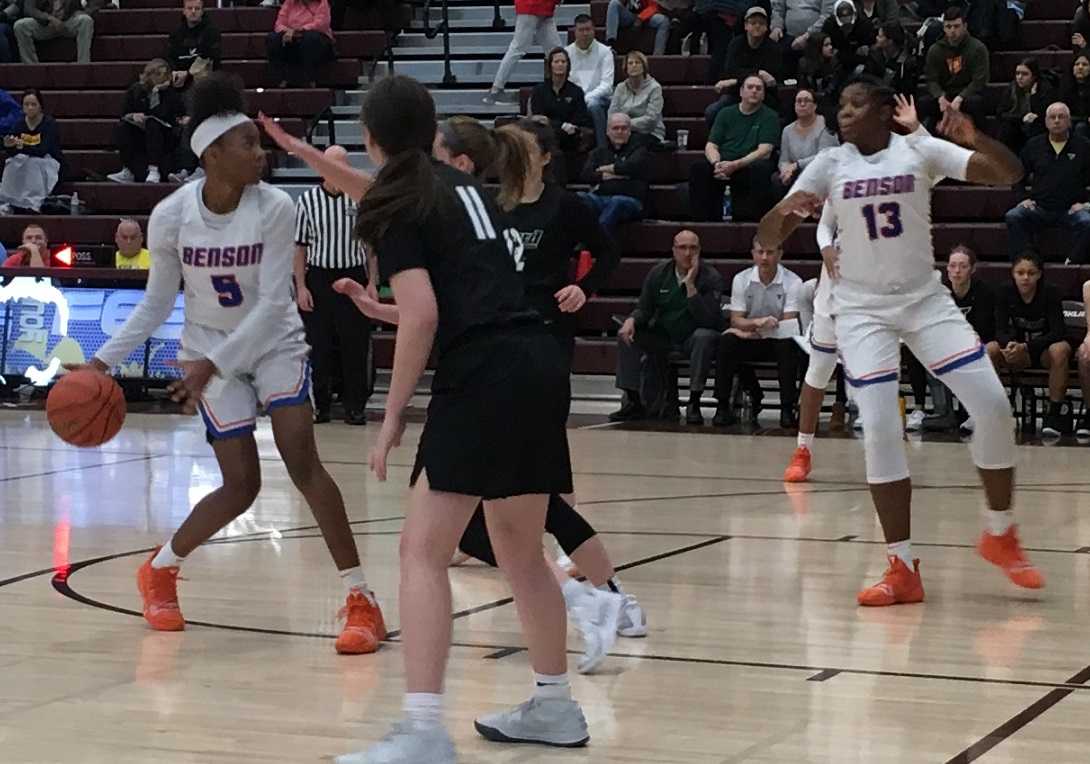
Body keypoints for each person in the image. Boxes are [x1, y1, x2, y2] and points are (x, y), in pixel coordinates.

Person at [260, 75, 590, 763]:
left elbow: (422, 315)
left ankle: (422, 731)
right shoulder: (455, 181)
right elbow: (366, 186)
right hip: (536, 361)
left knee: (420, 552)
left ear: (371, 139)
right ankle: (556, 704)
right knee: (520, 551)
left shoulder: (399, 207)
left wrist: (390, 418)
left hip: (485, 373)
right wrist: (305, 154)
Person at [67, 74, 385, 656]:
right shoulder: (171, 215)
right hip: (207, 346)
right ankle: (159, 570)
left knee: (302, 459)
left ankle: (361, 598)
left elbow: (269, 305)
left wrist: (209, 365)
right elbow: (159, 301)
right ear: (212, 154)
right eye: (247, 144)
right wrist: (100, 363)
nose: (260, 153)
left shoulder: (276, 208)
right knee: (241, 486)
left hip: (272, 344)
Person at [757, 76, 1042, 607]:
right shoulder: (829, 163)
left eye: (855, 102)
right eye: (840, 103)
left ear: (886, 110)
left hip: (924, 300)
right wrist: (783, 216)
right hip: (862, 311)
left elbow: (1009, 173)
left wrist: (974, 137)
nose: (842, 112)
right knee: (881, 428)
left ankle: (999, 532)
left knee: (994, 406)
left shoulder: (919, 150)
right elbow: (767, 236)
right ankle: (902, 565)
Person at [610, 229, 723, 424]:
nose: (687, 253)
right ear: (673, 250)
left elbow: (710, 320)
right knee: (627, 335)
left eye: (693, 248)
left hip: (692, 338)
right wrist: (631, 320)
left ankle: (694, 401)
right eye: (682, 247)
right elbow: (644, 308)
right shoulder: (658, 273)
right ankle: (634, 401)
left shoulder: (711, 276)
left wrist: (690, 287)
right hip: (664, 335)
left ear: (699, 251)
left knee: (704, 336)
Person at [294, 144, 371, 425]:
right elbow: (299, 248)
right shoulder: (306, 201)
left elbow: (371, 245)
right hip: (319, 278)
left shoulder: (360, 200)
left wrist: (373, 282)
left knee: (355, 344)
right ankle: (321, 405)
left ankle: (355, 406)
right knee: (319, 345)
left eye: (343, 165)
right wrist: (301, 286)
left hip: (353, 276)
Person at [713, 237, 803, 428]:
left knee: (787, 346)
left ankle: (787, 408)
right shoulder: (741, 279)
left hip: (778, 338)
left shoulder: (793, 281)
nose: (764, 257)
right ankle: (722, 406)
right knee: (727, 341)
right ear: (752, 254)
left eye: (770, 252)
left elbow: (788, 321)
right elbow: (736, 319)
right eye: (760, 252)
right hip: (750, 337)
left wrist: (753, 328)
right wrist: (755, 324)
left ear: (780, 254)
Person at [783, 200, 839, 482]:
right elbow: (825, 226)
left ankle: (883, 452)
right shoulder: (843, 176)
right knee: (817, 374)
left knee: (879, 381)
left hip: (875, 301)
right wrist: (827, 247)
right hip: (832, 301)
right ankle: (803, 449)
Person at [988, 252, 1073, 436]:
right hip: (1017, 353)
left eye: (1031, 273)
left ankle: (1053, 415)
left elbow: (1058, 332)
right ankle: (995, 412)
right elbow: (999, 329)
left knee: (1060, 349)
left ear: (1039, 274)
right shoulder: (1004, 291)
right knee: (991, 349)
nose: (1025, 277)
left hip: (1042, 353)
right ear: (1013, 273)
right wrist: (1009, 345)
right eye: (1020, 272)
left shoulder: (1051, 292)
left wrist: (1026, 346)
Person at [921, 244, 996, 431]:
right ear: (946, 269)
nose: (957, 271)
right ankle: (938, 410)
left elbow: (986, 329)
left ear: (972, 269)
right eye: (953, 266)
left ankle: (974, 411)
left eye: (962, 266)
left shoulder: (984, 292)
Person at [1003, 102, 1090, 263]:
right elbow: (1017, 175)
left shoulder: (1083, 146)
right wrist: (1022, 198)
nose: (1057, 121)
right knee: (1013, 216)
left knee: (1087, 221)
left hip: (1071, 210)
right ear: (1045, 121)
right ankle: (1023, 260)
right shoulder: (1033, 145)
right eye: (1052, 117)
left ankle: (1073, 261)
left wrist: (1087, 204)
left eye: (1061, 117)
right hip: (1040, 207)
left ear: (1069, 121)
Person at [689, 73, 779, 221]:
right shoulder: (725, 113)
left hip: (748, 165)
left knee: (761, 169)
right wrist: (716, 164)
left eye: (759, 88)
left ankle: (757, 223)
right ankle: (701, 223)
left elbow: (765, 150)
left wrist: (736, 164)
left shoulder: (770, 116)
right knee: (698, 168)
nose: (754, 91)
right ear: (741, 92)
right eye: (750, 87)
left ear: (763, 95)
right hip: (723, 164)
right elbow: (711, 145)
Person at [108, 59, 186, 185]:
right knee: (124, 126)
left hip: (164, 133)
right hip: (141, 130)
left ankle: (154, 169)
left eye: (164, 74)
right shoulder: (136, 89)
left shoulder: (170, 92)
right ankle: (128, 170)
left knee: (152, 123)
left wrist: (157, 92)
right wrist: (133, 116)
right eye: (158, 74)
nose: (162, 77)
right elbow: (124, 113)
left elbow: (168, 115)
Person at [706, 6, 783, 128]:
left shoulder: (773, 48)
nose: (757, 26)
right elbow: (730, 71)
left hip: (764, 96)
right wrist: (757, 73)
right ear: (746, 26)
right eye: (753, 23)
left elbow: (772, 77)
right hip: (736, 93)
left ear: (766, 27)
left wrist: (733, 80)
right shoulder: (736, 44)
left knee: (778, 116)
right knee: (712, 112)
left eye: (761, 23)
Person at [919, 7, 990, 131]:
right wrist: (940, 96)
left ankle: (982, 139)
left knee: (976, 103)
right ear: (944, 28)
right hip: (945, 93)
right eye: (948, 26)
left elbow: (980, 80)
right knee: (923, 103)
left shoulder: (978, 48)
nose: (952, 30)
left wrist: (960, 97)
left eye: (956, 26)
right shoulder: (935, 50)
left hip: (968, 94)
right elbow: (931, 79)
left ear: (965, 26)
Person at [579, 112, 651, 234]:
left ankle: (597, 241)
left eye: (624, 128)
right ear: (608, 131)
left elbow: (630, 167)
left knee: (616, 201)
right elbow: (585, 174)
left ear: (629, 131)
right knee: (579, 197)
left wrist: (602, 169)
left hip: (631, 201)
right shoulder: (599, 152)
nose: (619, 131)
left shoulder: (640, 150)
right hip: (601, 198)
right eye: (615, 128)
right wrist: (613, 174)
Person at [484, 0, 562, 103]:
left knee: (556, 51)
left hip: (541, 7)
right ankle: (496, 90)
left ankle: (563, 87)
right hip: (533, 5)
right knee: (517, 48)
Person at [0, 89, 63, 215]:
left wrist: (20, 147)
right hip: (26, 160)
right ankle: (8, 201)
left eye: (33, 104)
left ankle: (35, 202)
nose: (30, 108)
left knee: (34, 164)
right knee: (12, 163)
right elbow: (12, 151)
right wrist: (8, 146)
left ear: (40, 106)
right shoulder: (19, 125)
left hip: (47, 161)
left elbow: (42, 150)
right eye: (26, 105)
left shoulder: (49, 124)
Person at [529, 47, 592, 159]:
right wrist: (561, 125)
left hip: (569, 135)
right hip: (545, 134)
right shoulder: (539, 90)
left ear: (568, 66)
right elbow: (538, 119)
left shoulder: (576, 91)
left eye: (563, 62)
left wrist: (551, 122)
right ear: (550, 65)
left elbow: (580, 119)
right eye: (556, 61)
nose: (560, 64)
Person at [775, 87, 838, 193]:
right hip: (797, 173)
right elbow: (784, 159)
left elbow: (825, 156)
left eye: (807, 100)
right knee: (777, 179)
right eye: (799, 101)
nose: (802, 104)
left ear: (815, 106)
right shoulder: (787, 130)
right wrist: (785, 171)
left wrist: (797, 165)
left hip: (821, 172)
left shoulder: (826, 124)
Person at [566, 14, 614, 148]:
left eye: (588, 29)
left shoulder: (605, 52)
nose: (585, 33)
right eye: (581, 30)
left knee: (593, 105)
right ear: (575, 32)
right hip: (575, 99)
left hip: (600, 99)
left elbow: (607, 85)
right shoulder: (567, 53)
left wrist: (586, 98)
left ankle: (603, 149)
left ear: (594, 30)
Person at [266, 0, 334, 88]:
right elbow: (279, 24)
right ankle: (279, 79)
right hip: (292, 36)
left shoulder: (322, 3)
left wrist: (299, 30)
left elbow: (321, 24)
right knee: (272, 38)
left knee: (310, 38)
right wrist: (288, 31)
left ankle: (309, 79)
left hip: (316, 38)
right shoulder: (289, 2)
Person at [609, 50, 666, 144]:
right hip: (623, 133)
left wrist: (624, 125)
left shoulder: (655, 88)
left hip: (651, 133)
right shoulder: (620, 88)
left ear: (644, 67)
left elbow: (651, 119)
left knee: (632, 143)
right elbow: (612, 114)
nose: (634, 65)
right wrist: (621, 128)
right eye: (630, 63)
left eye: (637, 62)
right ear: (626, 68)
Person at [997, 57, 1051, 156]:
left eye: (1025, 74)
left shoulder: (1045, 88)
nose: (1020, 77)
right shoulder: (1011, 88)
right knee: (1006, 129)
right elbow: (1000, 114)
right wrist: (1021, 118)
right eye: (1017, 73)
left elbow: (1043, 114)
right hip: (1017, 125)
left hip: (1037, 128)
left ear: (1034, 76)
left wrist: (1034, 97)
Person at [13, 0, 93, 64]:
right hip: (45, 24)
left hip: (68, 22)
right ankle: (31, 67)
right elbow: (29, 9)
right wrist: (48, 18)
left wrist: (82, 12)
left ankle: (83, 64)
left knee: (86, 20)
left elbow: (94, 5)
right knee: (20, 25)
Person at [769, 0, 835, 76]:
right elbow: (777, 9)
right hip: (788, 36)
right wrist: (777, 26)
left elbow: (827, 15)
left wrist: (808, 35)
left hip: (815, 38)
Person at [167, 0, 222, 90]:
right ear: (184, 11)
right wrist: (174, 72)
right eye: (189, 8)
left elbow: (211, 58)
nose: (193, 11)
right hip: (179, 79)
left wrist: (187, 74)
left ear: (202, 11)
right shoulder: (176, 33)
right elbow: (170, 57)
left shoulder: (212, 32)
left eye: (197, 8)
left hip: (204, 82)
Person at [864, 23, 919, 98]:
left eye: (880, 36)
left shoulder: (908, 62)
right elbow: (867, 78)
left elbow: (908, 91)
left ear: (890, 41)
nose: (876, 38)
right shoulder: (874, 54)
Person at [606, 0, 673, 55]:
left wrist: (641, 18)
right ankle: (611, 44)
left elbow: (654, 6)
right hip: (629, 15)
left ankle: (658, 56)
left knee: (664, 21)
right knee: (613, 3)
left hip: (647, 15)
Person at [1060, 51, 1090, 140]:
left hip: (1086, 121)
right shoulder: (1065, 84)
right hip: (1071, 119)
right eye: (1077, 64)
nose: (1080, 67)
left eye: (1084, 65)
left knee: (1081, 127)